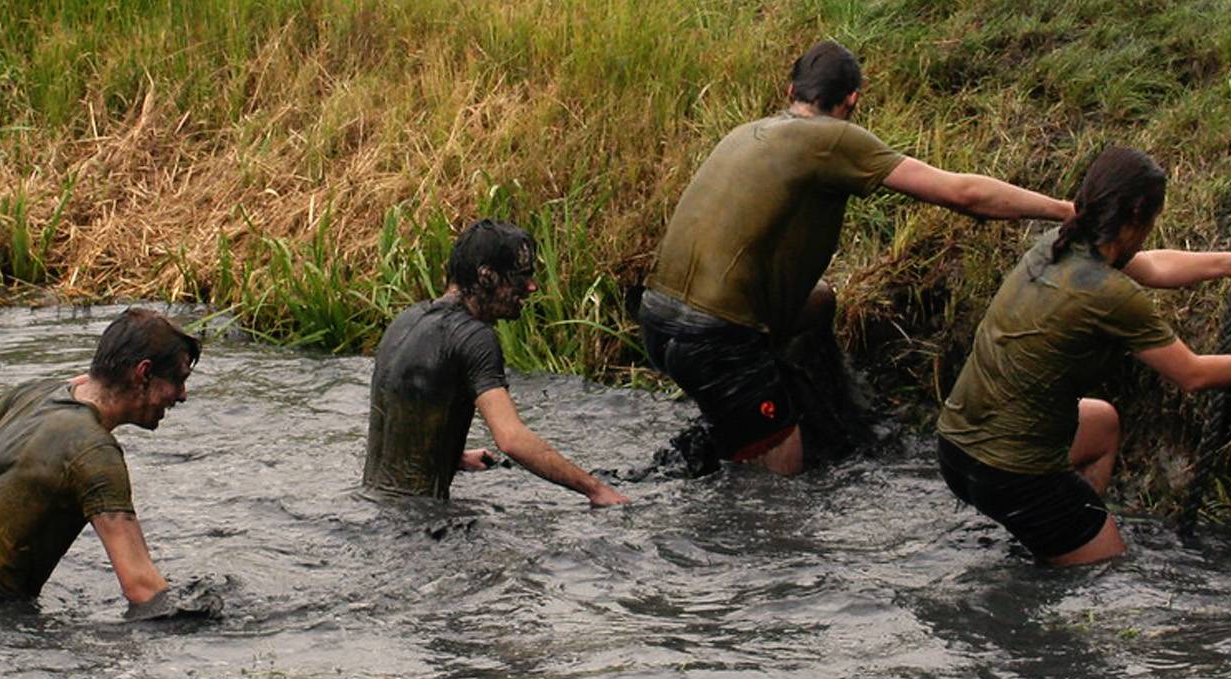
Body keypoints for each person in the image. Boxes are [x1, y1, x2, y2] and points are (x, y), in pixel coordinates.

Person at [640, 39, 1075, 476]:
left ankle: (790, 414)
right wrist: (1066, 211)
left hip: (657, 320)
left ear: (790, 90)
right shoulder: (832, 137)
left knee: (820, 301)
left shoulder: (748, 133)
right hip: (717, 339)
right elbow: (964, 194)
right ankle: (765, 445)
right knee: (778, 489)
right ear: (852, 100)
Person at [936, 146, 1231, 566]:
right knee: (1103, 572)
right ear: (1139, 215)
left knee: (1101, 424)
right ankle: (1063, 552)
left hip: (957, 453)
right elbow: (1191, 374)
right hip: (1011, 475)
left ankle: (1055, 534)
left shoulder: (1059, 244)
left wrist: (1229, 262)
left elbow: (1154, 267)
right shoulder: (1110, 295)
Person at [0, 307, 217, 619]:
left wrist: (80, 383)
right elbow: (141, 588)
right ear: (144, 373)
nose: (182, 395)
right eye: (178, 380)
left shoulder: (38, 395)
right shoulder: (94, 451)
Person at [363, 219, 630, 507]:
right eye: (521, 277)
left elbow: (403, 420)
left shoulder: (406, 320)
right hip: (420, 523)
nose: (531, 287)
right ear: (487, 276)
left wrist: (453, 457)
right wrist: (596, 489)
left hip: (374, 506)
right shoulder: (474, 337)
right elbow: (511, 439)